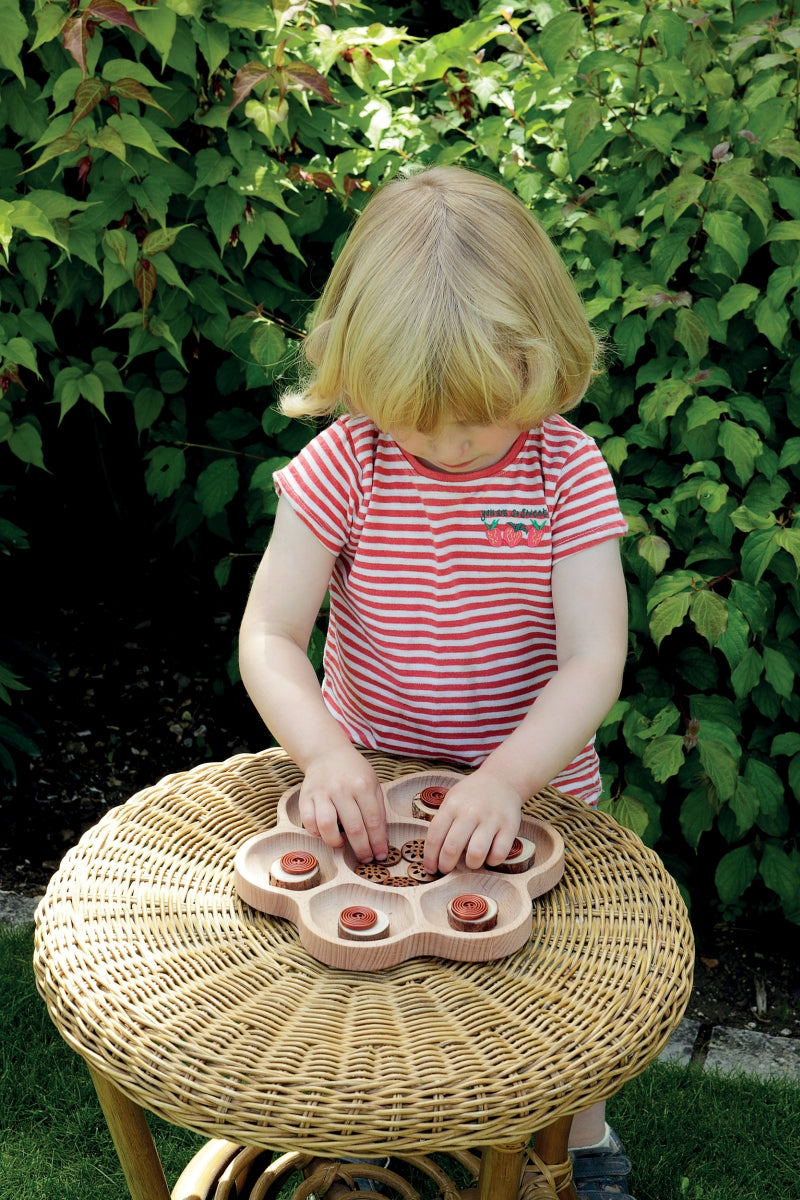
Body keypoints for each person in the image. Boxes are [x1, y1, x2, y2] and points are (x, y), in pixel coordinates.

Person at [239, 165, 635, 1198]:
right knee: (380, 987)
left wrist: (504, 781)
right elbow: (271, 632)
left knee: (546, 992)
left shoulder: (563, 468)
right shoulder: (346, 463)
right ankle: (381, 1141)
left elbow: (594, 656)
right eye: (419, 424)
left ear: (538, 364)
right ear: (359, 379)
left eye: (479, 421)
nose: (451, 448)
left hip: (536, 792)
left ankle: (579, 1144)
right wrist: (323, 754)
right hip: (371, 787)